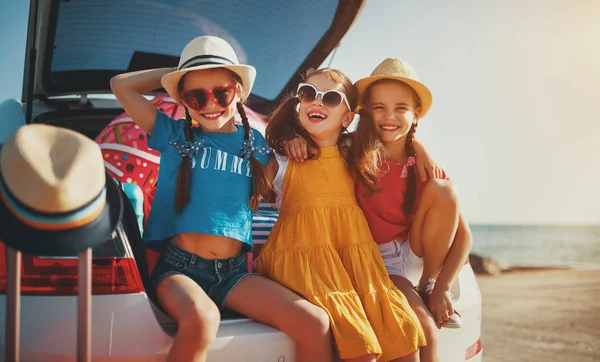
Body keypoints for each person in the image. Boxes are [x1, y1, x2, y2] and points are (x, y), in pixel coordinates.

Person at [110, 35, 334, 362]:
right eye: (195, 97)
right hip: (177, 272)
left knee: (315, 323)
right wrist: (178, 75)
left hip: (232, 275)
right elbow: (121, 85)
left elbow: (297, 172)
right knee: (202, 320)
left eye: (221, 92)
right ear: (183, 99)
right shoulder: (174, 136)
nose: (210, 104)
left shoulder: (257, 144)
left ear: (238, 91)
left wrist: (293, 146)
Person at [285, 58, 473, 362]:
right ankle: (418, 298)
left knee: (444, 189)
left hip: (415, 256)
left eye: (401, 108)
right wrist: (291, 139)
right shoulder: (349, 151)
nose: (389, 116)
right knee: (423, 330)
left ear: (416, 115)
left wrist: (440, 288)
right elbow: (314, 134)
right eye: (379, 107)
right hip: (374, 260)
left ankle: (424, 286)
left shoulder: (423, 165)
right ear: (363, 112)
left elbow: (464, 237)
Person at [257, 67, 425, 362]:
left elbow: (400, 140)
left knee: (404, 335)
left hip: (354, 261)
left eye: (331, 98)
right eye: (308, 94)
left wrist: (424, 151)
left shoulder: (355, 153)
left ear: (348, 119)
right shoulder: (283, 157)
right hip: (304, 260)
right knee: (363, 349)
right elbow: (245, 192)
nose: (317, 102)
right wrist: (285, 138)